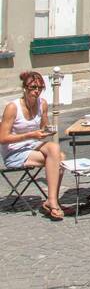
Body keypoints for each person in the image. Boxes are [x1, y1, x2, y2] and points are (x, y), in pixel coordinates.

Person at [0, 71, 65, 220]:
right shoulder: (12, 107)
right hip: (14, 151)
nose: (37, 91)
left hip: (32, 144)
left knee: (55, 149)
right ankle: (52, 201)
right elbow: (2, 138)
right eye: (33, 87)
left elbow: (44, 126)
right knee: (59, 160)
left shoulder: (42, 104)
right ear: (25, 88)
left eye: (40, 88)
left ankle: (51, 200)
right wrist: (30, 135)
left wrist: (47, 130)